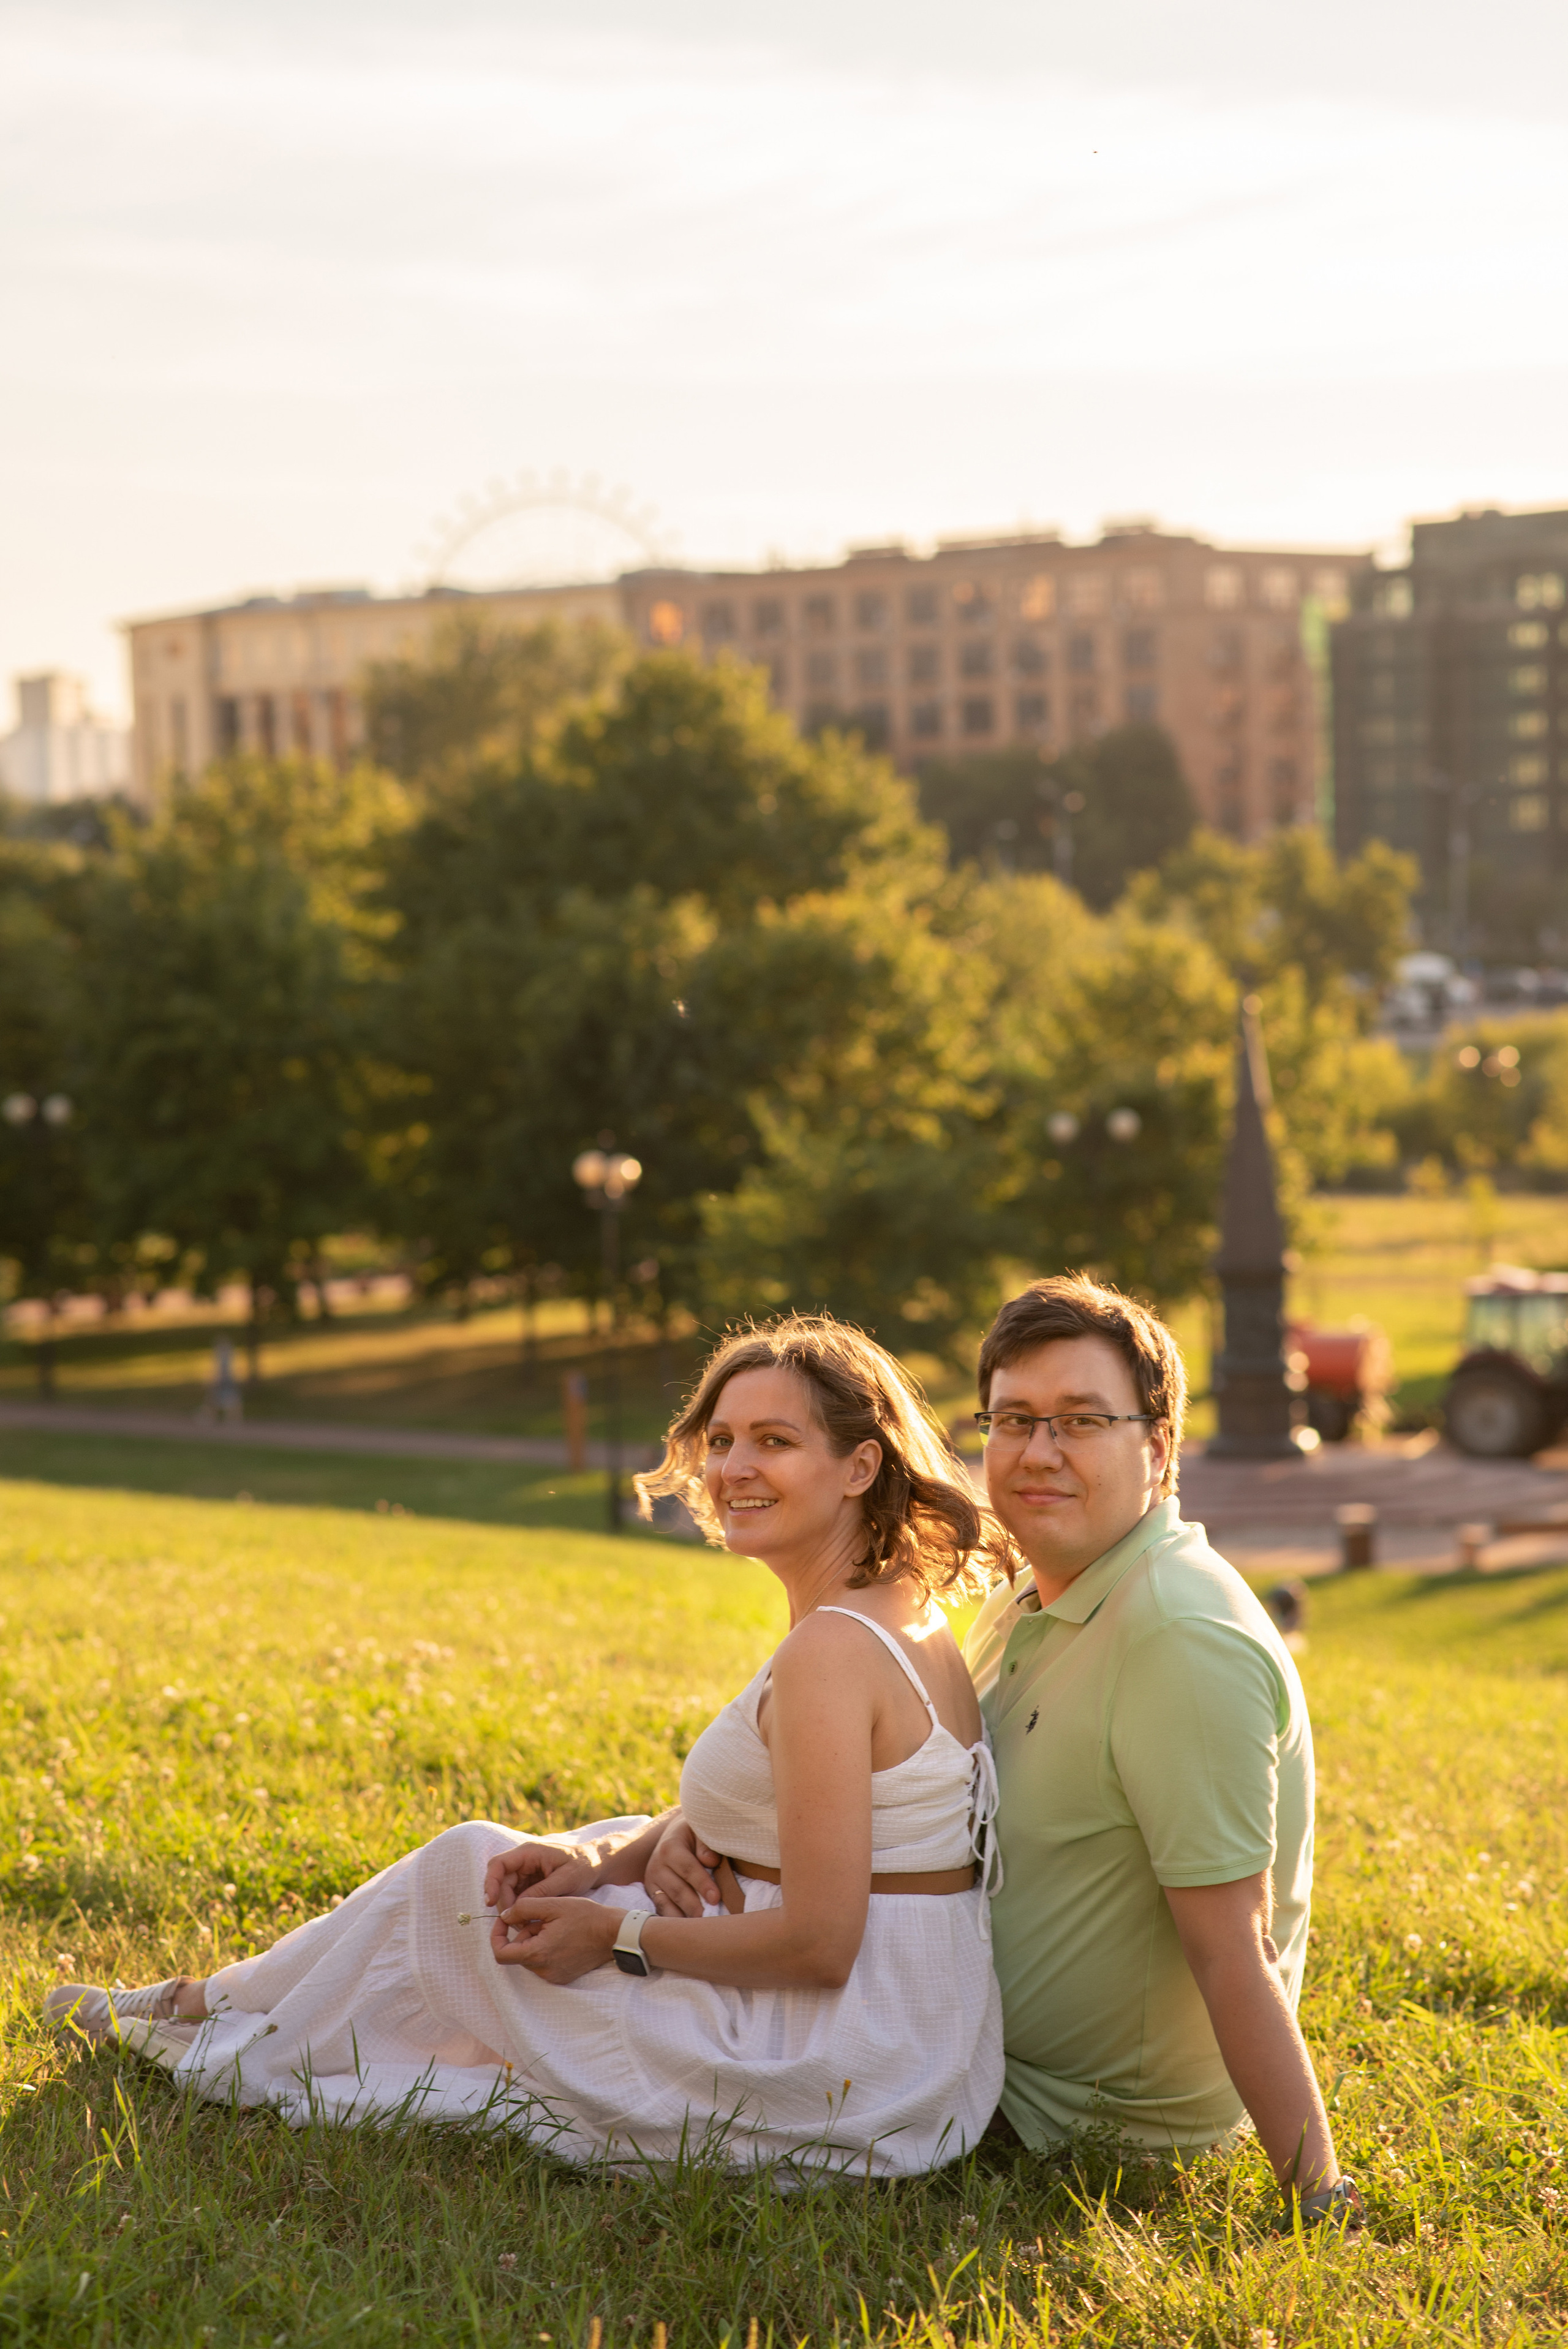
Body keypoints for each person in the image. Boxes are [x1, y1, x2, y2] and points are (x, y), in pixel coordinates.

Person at [45, 1315, 1006, 2180]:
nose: (731, 1468)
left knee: (470, 1887)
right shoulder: (895, 1612)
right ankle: (210, 2006)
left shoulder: (833, 1649)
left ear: (860, 1466)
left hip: (839, 2063)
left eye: (775, 1440)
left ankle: (203, 2015)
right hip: (915, 2041)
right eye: (720, 1439)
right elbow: (817, 1811)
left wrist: (618, 1938)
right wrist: (606, 1859)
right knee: (536, 1870)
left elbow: (821, 1941)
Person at [960, 1273, 1359, 2228]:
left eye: (1080, 1420)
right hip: (961, 2052)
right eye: (1013, 1419)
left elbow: (1236, 1946)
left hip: (1070, 2119)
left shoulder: (1178, 1634)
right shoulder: (1030, 1588)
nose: (1037, 1451)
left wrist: (1320, 2195)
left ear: (1159, 1443)